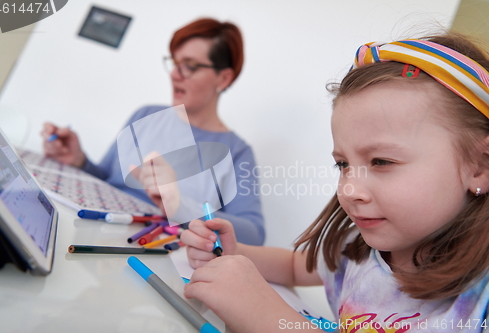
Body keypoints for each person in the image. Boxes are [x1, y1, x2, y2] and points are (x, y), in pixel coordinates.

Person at [181, 32, 489, 333]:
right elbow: (293, 267)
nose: (349, 190)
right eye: (343, 164)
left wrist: (264, 315)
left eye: (381, 161)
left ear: (481, 166)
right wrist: (237, 252)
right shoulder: (359, 249)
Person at [41, 18, 265, 245]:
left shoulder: (237, 152)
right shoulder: (145, 115)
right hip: (95, 233)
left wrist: (179, 205)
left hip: (156, 250)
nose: (175, 74)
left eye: (190, 66)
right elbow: (107, 181)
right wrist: (79, 161)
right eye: (175, 62)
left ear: (223, 78)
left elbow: (254, 235)